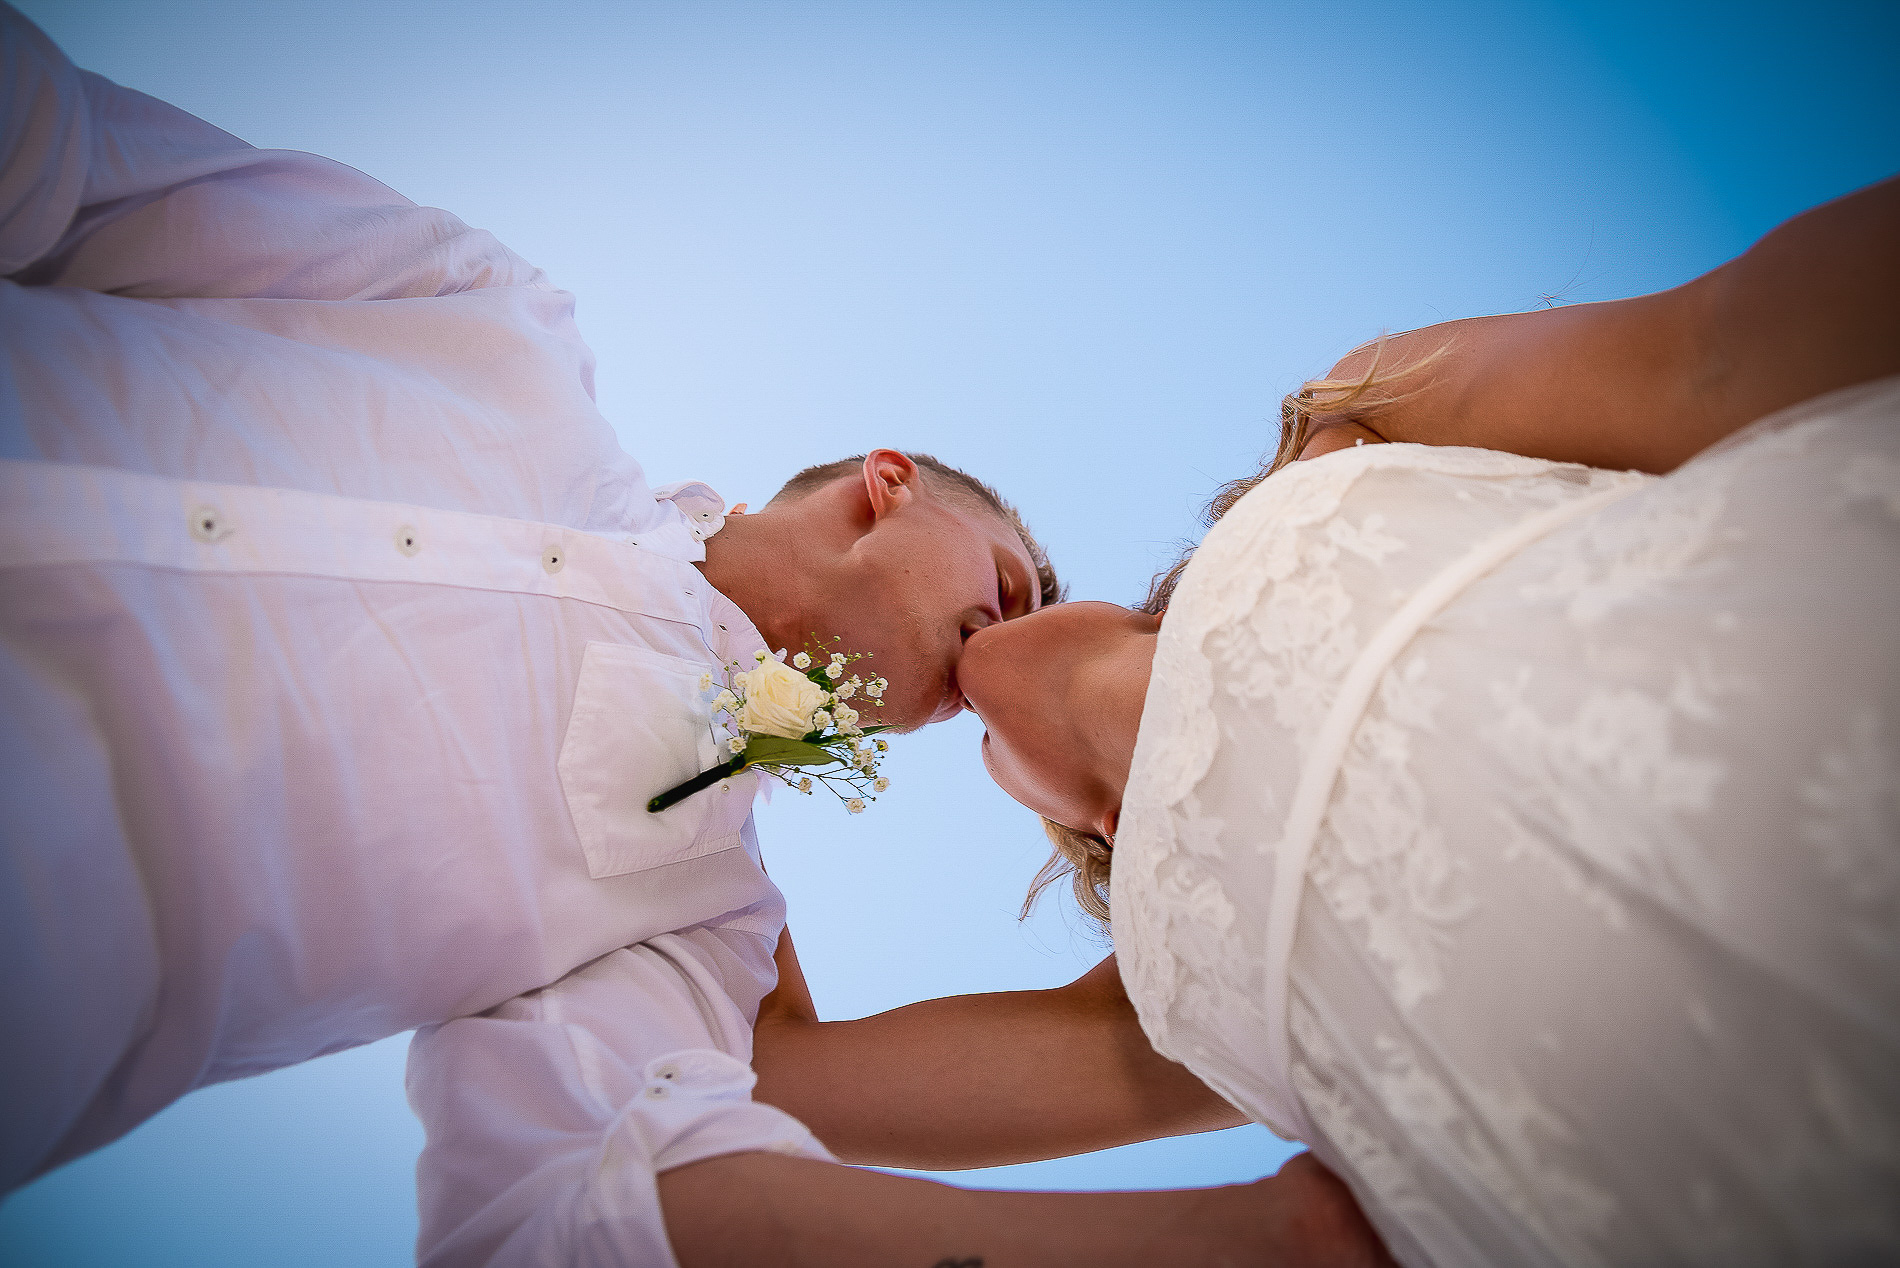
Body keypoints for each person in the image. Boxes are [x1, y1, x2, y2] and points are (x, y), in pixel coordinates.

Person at [0, 9, 1396, 1264]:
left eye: (978, 723)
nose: (986, 674)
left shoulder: (691, 917)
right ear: (885, 479)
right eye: (1015, 585)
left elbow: (600, 1198)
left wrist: (1243, 1227)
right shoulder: (486, 324)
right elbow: (62, 163)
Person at [792, 175, 1899, 1265]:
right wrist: (713, 701)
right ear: (1087, 821)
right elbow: (772, 1078)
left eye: (1021, 582)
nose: (982, 636)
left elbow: (1719, 346)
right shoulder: (1154, 1015)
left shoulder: (1359, 423)